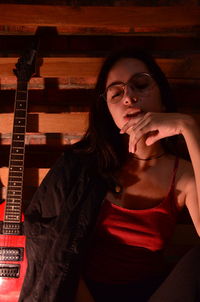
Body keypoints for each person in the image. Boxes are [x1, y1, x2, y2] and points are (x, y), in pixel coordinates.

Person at [19, 49, 200, 302]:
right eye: (117, 92)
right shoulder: (81, 166)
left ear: (163, 100)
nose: (129, 97)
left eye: (141, 84)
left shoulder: (182, 174)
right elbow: (53, 248)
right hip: (84, 294)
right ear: (108, 110)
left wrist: (187, 126)